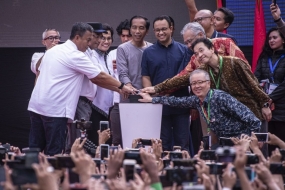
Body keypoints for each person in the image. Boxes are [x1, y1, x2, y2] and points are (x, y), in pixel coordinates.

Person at [27, 22, 133, 156]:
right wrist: (122, 87)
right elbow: (98, 77)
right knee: (54, 152)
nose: (90, 43)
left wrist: (118, 89)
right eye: (88, 39)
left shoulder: (54, 50)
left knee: (34, 149)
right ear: (77, 38)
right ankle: (53, 176)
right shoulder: (75, 55)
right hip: (55, 110)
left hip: (37, 106)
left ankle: (29, 176)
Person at [139, 69, 261, 139]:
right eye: (193, 84)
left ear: (208, 83)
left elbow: (253, 120)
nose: (197, 86)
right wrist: (152, 100)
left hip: (241, 142)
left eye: (200, 82)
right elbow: (176, 101)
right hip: (223, 143)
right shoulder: (197, 100)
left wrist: (255, 139)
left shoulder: (220, 97)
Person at [141, 15, 192, 153]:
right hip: (158, 106)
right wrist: (151, 95)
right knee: (161, 145)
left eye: (163, 29)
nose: (160, 33)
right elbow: (145, 76)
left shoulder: (184, 50)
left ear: (171, 28)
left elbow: (187, 77)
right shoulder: (148, 52)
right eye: (157, 30)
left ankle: (183, 172)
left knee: (182, 145)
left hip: (180, 104)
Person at [65, 22, 105, 153]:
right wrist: (121, 87)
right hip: (79, 101)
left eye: (101, 37)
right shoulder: (80, 52)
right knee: (78, 141)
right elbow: (98, 76)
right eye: (95, 36)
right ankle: (73, 168)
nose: (99, 40)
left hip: (88, 103)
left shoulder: (93, 53)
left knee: (82, 139)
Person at [254, 27, 285, 155]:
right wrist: (264, 99)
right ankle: (272, 171)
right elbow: (255, 79)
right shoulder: (264, 57)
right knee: (269, 142)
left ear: (283, 40)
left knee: (281, 140)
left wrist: (270, 98)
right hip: (266, 104)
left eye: (275, 37)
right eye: (269, 38)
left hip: (281, 104)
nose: (271, 40)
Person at [89, 23, 115, 145]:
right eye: (102, 38)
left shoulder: (109, 57)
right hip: (93, 108)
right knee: (94, 144)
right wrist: (121, 87)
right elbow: (99, 78)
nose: (105, 41)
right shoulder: (90, 55)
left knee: (106, 146)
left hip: (109, 110)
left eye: (108, 38)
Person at [109, 19, 132, 146]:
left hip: (135, 101)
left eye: (128, 35)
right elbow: (108, 77)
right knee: (116, 140)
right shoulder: (112, 53)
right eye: (123, 36)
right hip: (117, 102)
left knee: (134, 139)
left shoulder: (141, 51)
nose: (125, 38)